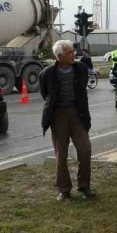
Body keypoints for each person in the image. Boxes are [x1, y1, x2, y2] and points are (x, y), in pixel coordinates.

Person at [40, 40, 94, 201]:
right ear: (59, 56)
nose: (74, 54)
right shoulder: (48, 73)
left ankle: (84, 187)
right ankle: (64, 190)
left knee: (85, 150)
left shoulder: (81, 69)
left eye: (73, 51)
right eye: (70, 52)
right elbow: (46, 95)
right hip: (58, 116)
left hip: (78, 114)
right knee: (61, 155)